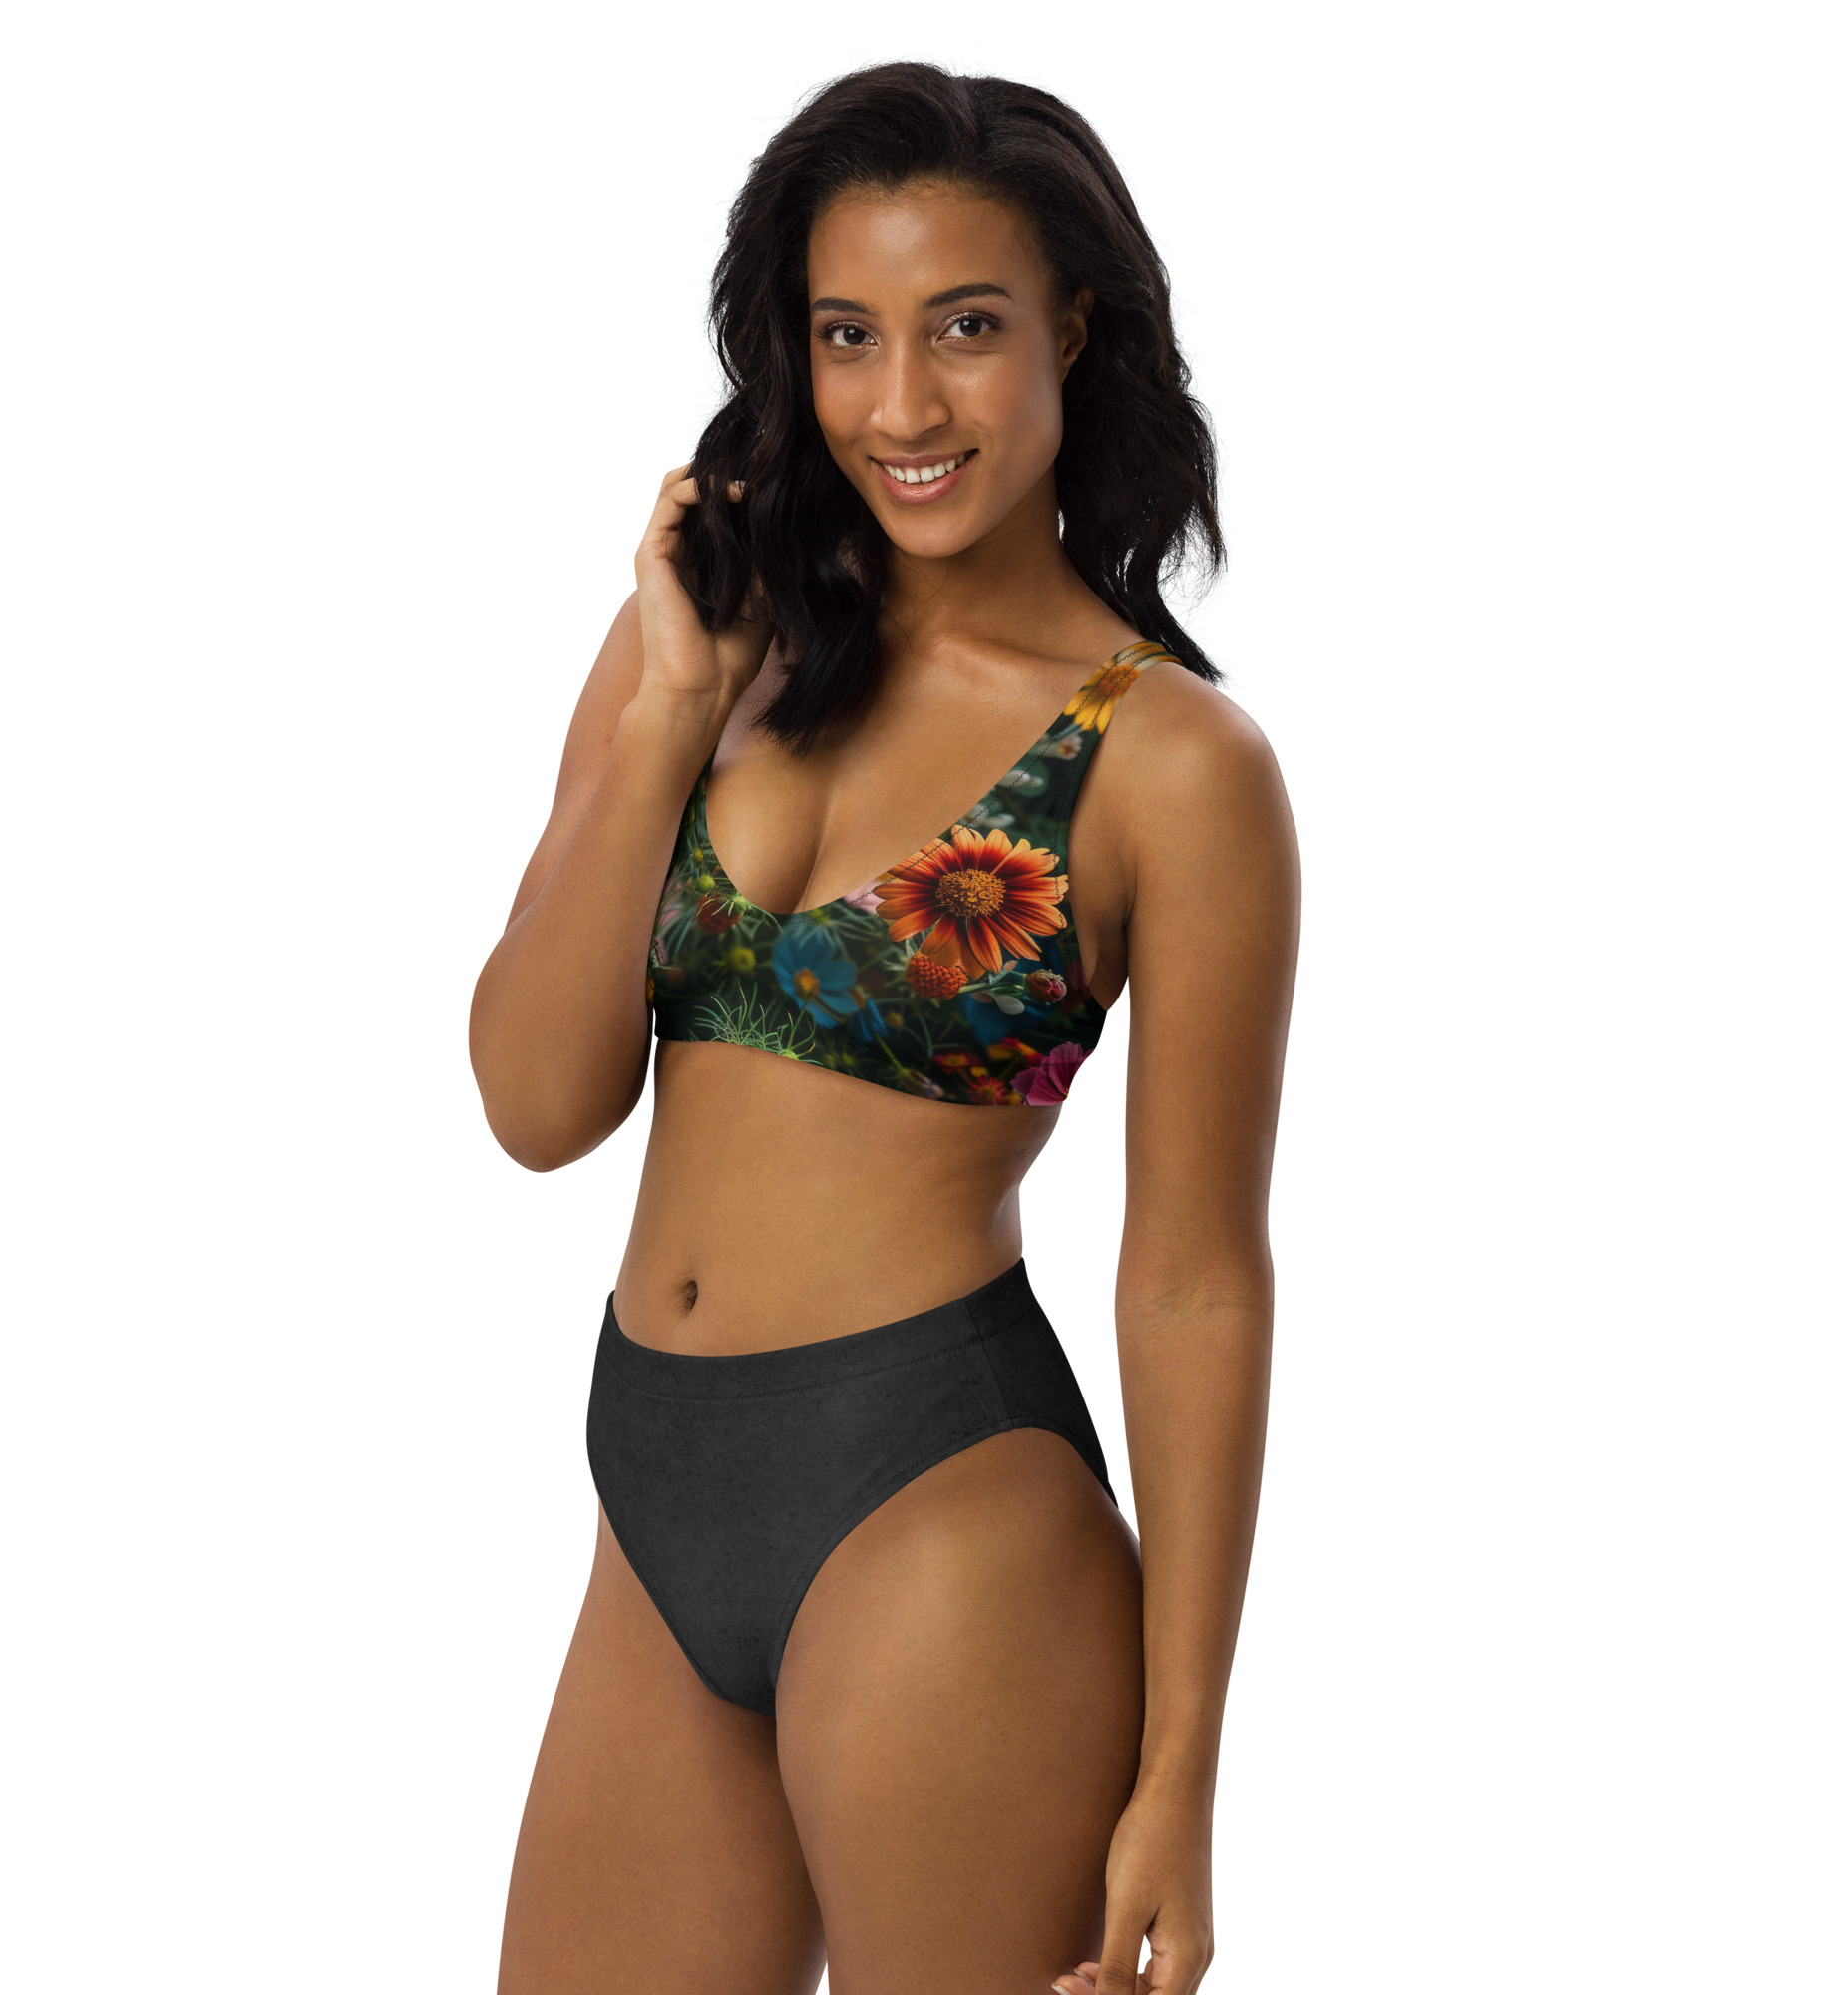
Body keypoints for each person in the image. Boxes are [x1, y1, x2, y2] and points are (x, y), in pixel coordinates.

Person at [469, 61, 1298, 1995]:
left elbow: (1194, 1279)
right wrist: (670, 716)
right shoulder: (713, 637)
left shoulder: (1170, 762)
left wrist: (1181, 1775)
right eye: (849, 335)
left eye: (967, 329)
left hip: (938, 1507)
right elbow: (533, 1101)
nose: (903, 406)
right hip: (652, 1497)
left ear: (1072, 333)